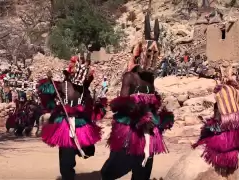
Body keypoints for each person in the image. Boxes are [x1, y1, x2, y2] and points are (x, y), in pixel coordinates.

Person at [101, 14, 174, 180]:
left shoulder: (151, 79)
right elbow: (121, 104)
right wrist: (139, 114)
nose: (151, 58)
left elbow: (154, 102)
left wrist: (160, 115)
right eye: (148, 54)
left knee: (143, 170)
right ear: (140, 54)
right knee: (118, 165)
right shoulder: (130, 77)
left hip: (149, 131)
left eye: (154, 55)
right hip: (130, 130)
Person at [39, 52, 107, 180]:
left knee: (85, 150)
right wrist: (49, 84)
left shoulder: (83, 88)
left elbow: (89, 105)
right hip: (65, 125)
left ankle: (75, 158)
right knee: (66, 156)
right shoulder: (62, 86)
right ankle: (68, 174)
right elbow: (47, 93)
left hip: (81, 124)